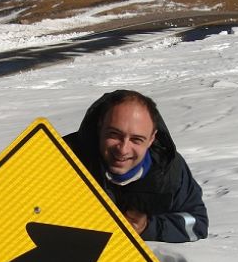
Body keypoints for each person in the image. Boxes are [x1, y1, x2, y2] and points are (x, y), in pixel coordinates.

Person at [64, 90, 208, 243]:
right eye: (114, 135)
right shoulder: (66, 158)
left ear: (151, 138)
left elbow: (197, 225)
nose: (123, 149)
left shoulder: (168, 171)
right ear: (100, 126)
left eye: (136, 139)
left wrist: (147, 227)